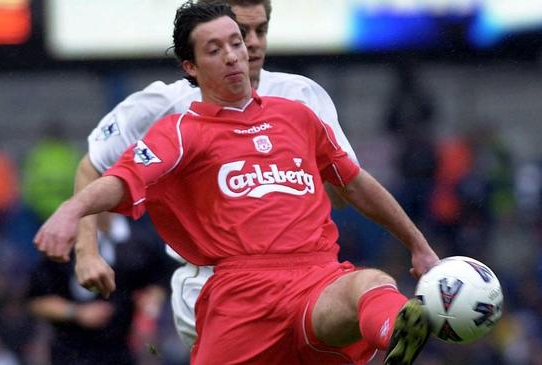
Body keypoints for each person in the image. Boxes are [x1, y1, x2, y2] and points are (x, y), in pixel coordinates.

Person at [35, 2, 439, 364]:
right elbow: (121, 178)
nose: (234, 55)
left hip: (315, 276)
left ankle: (394, 332)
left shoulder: (298, 112)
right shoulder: (178, 127)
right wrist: (72, 214)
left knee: (372, 283)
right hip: (239, 293)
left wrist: (418, 245)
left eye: (238, 42)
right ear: (190, 66)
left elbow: (355, 184)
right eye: (215, 50)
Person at [28, 213, 176, 365]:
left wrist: (151, 300)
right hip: (72, 351)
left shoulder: (141, 237)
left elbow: (162, 278)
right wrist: (76, 312)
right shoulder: (64, 240)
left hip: (123, 348)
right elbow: (36, 300)